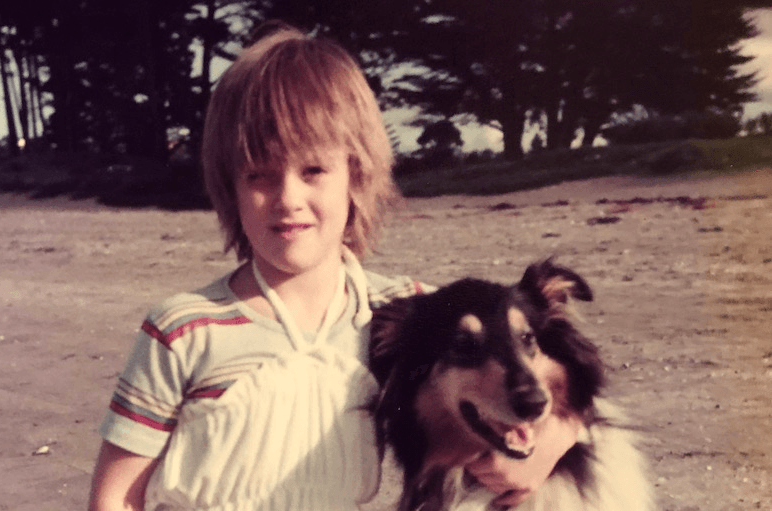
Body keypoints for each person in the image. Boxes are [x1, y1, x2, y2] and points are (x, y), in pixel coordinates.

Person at [88, 21, 580, 511]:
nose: (288, 199)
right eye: (258, 174)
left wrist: (554, 439)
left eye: (313, 170)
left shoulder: (410, 316)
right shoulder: (182, 330)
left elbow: (560, 385)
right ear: (229, 186)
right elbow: (116, 498)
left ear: (356, 174)